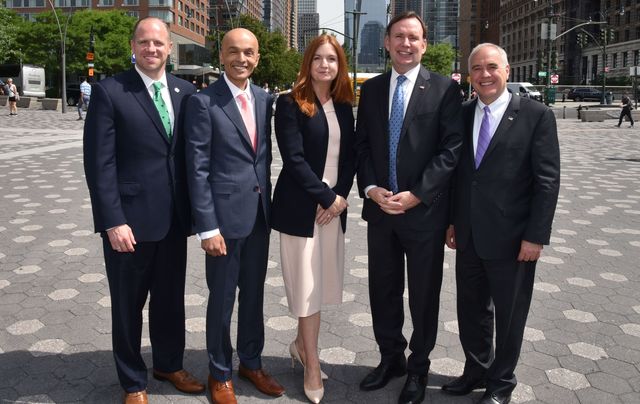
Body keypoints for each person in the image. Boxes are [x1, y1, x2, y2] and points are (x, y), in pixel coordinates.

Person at [83, 17, 204, 404]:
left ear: (170, 48)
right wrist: (112, 220)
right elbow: (99, 164)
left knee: (170, 300)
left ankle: (169, 364)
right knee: (128, 305)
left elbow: (192, 156)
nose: (151, 49)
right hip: (129, 224)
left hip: (173, 221)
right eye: (144, 42)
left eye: (159, 43)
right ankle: (133, 381)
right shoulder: (110, 91)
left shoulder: (186, 92)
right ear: (133, 46)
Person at [355, 11, 463, 404]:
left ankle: (418, 368)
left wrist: (418, 193)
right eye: (399, 36)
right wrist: (370, 189)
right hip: (381, 211)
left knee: (423, 295)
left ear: (424, 45)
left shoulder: (445, 90)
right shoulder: (371, 90)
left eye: (414, 38)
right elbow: (362, 146)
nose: (406, 44)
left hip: (424, 213)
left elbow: (451, 150)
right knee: (382, 290)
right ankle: (391, 359)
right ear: (386, 42)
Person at [443, 43, 560, 404]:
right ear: (469, 76)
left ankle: (501, 383)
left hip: (514, 240)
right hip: (468, 235)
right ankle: (475, 370)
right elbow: (457, 176)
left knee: (510, 317)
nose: (484, 75)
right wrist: (451, 222)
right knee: (471, 310)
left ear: (507, 71)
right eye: (476, 68)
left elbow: (546, 181)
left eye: (492, 66)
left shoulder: (537, 115)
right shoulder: (461, 114)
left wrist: (536, 236)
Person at [184, 28, 283, 404]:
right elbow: (197, 168)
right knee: (222, 299)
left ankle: (251, 362)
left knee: (254, 296)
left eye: (249, 52)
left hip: (258, 216)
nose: (241, 59)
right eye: (233, 52)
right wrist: (206, 226)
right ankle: (220, 372)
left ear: (257, 58)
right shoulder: (203, 102)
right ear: (221, 56)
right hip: (222, 223)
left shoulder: (264, 99)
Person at [271, 34, 355, 404]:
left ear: (340, 66)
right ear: (308, 63)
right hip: (301, 210)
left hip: (332, 210)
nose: (325, 65)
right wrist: (326, 198)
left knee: (318, 288)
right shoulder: (289, 103)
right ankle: (312, 363)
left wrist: (340, 200)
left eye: (332, 59)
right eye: (318, 58)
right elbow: (294, 160)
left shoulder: (344, 104)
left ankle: (299, 345)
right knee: (306, 290)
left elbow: (351, 159)